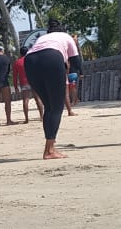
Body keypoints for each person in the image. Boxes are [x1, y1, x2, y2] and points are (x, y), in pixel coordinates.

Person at [23, 19, 80, 160]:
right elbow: (76, 63)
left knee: (49, 107)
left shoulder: (42, 38)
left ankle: (50, 146)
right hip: (52, 58)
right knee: (56, 108)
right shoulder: (66, 37)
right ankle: (49, 150)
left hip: (30, 61)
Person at [13, 47, 34, 123]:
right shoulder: (31, 60)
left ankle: (27, 119)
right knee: (38, 99)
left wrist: (15, 86)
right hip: (33, 81)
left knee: (25, 100)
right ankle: (41, 116)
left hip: (24, 82)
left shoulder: (17, 62)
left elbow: (15, 76)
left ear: (20, 53)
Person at [64, 33, 82, 115]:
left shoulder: (74, 53)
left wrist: (81, 72)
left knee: (72, 87)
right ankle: (75, 99)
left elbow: (78, 63)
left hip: (72, 71)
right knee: (72, 87)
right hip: (71, 71)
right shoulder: (73, 51)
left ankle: (75, 100)